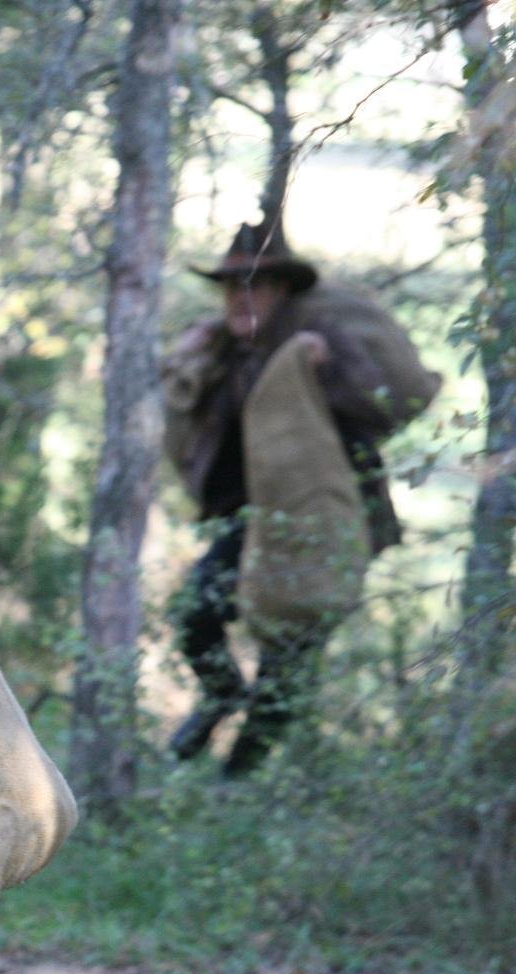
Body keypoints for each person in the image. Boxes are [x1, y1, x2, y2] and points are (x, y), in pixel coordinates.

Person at [161, 219, 411, 777]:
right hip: (247, 524)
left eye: (256, 286)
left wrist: (328, 369)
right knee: (196, 612)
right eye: (232, 287)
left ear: (280, 292)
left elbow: (379, 410)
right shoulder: (218, 348)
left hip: (321, 523)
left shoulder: (321, 344)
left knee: (289, 662)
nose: (241, 298)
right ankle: (220, 695)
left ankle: (237, 784)